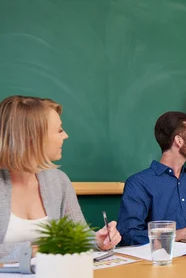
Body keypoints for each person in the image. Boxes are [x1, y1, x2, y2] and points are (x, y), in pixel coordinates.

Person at [0, 96, 121, 264]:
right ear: (32, 137)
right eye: (59, 130)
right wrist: (38, 250)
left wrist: (98, 241)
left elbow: (78, 236)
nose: (66, 135)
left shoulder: (57, 181)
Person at [117, 111, 186, 246]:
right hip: (163, 262)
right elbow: (127, 235)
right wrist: (172, 235)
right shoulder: (139, 183)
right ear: (179, 141)